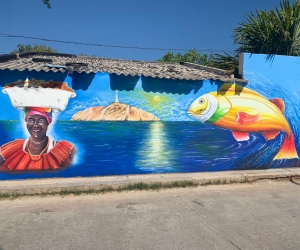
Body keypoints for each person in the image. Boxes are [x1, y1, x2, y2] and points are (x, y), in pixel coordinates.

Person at [0, 107, 75, 171]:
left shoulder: (64, 150)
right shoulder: (12, 148)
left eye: (41, 121)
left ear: (48, 123)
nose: (36, 125)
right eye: (31, 120)